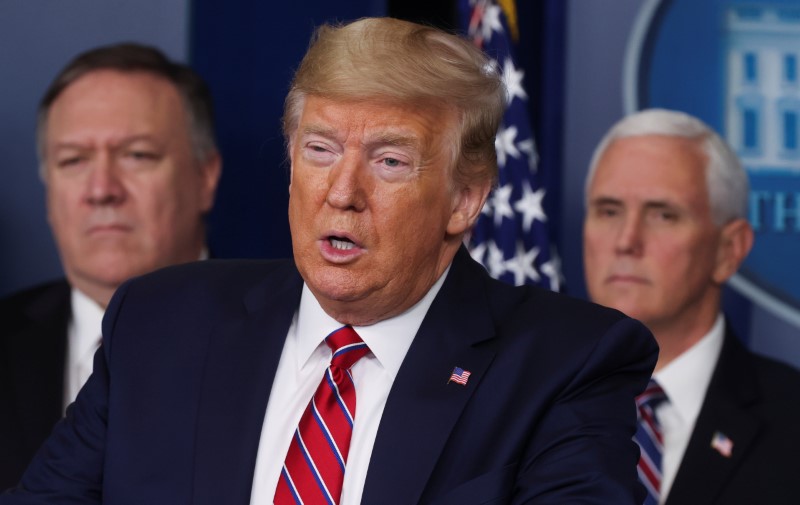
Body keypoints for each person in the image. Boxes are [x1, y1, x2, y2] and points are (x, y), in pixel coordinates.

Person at [1, 18, 656, 504]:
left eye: (390, 161)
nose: (342, 193)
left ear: (464, 198)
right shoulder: (158, 322)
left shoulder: (564, 364)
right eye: (319, 150)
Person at [0, 43, 221, 489]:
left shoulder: (292, 343)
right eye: (73, 161)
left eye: (137, 155)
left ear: (205, 176)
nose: (101, 189)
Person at [583, 108, 800, 505]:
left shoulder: (793, 422)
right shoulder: (518, 404)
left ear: (728, 250)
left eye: (663, 215)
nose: (626, 240)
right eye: (609, 211)